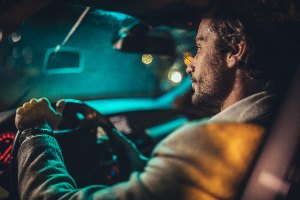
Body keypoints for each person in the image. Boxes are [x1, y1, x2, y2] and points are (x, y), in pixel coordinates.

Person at [13, 1, 299, 199]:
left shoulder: (211, 144)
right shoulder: (275, 130)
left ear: (235, 49)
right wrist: (132, 157)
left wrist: (35, 130)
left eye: (199, 47)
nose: (190, 64)